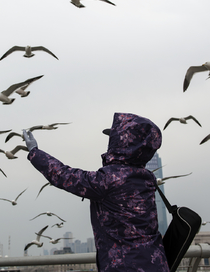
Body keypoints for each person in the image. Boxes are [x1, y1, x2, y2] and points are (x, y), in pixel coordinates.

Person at [23, 112, 169, 272]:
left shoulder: (110, 179)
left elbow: (65, 176)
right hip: (156, 263)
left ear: (123, 143)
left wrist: (35, 152)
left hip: (126, 265)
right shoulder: (146, 178)